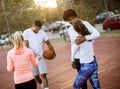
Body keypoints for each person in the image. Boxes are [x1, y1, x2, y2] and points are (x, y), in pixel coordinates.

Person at [63, 9, 101, 89]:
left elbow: (97, 33)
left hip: (89, 59)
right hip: (78, 59)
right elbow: (73, 45)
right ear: (66, 20)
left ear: (75, 16)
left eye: (73, 18)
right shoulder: (69, 29)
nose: (72, 21)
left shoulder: (84, 24)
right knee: (83, 85)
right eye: (69, 20)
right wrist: (72, 59)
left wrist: (85, 38)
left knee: (94, 82)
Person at [23, 20, 56, 89]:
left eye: (39, 28)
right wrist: (34, 54)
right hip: (31, 57)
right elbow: (26, 46)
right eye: (36, 28)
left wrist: (53, 51)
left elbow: (48, 43)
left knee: (43, 75)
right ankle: (42, 85)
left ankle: (46, 88)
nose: (37, 30)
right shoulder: (26, 32)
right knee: (36, 76)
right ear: (33, 25)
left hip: (40, 57)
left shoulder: (42, 33)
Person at [72, 19, 101, 89]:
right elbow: (95, 34)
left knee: (75, 86)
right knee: (96, 87)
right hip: (94, 63)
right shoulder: (90, 37)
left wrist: (75, 43)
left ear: (75, 29)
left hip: (86, 66)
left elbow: (73, 52)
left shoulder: (78, 40)